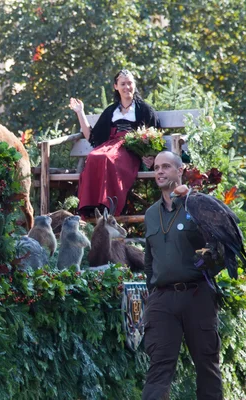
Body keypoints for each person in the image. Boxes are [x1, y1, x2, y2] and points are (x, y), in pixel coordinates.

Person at [142, 151, 222, 400]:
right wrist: (153, 293)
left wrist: (209, 261)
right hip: (163, 299)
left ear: (180, 171)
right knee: (158, 369)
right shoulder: (150, 214)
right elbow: (149, 259)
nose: (160, 171)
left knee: (207, 366)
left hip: (197, 295)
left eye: (166, 166)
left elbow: (220, 250)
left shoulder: (197, 205)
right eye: (156, 167)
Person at [69, 69, 160, 217]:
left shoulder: (144, 109)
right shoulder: (111, 111)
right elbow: (92, 137)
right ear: (115, 87)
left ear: (134, 85)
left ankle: (108, 205)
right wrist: (80, 112)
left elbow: (155, 135)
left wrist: (150, 156)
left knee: (108, 159)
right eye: (123, 84)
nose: (127, 87)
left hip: (131, 149)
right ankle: (91, 206)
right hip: (110, 146)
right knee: (93, 156)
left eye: (130, 83)